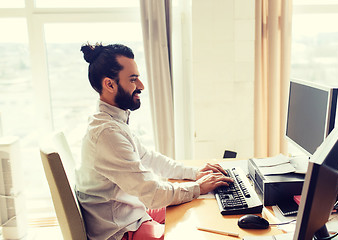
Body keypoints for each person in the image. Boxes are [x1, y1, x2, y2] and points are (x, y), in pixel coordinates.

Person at [76, 43, 233, 240]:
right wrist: (199, 186)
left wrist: (195, 173)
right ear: (110, 84)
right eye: (133, 80)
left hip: (131, 214)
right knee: (198, 228)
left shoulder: (113, 122)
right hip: (122, 231)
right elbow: (153, 195)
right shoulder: (107, 134)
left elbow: (148, 158)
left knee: (201, 206)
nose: (141, 86)